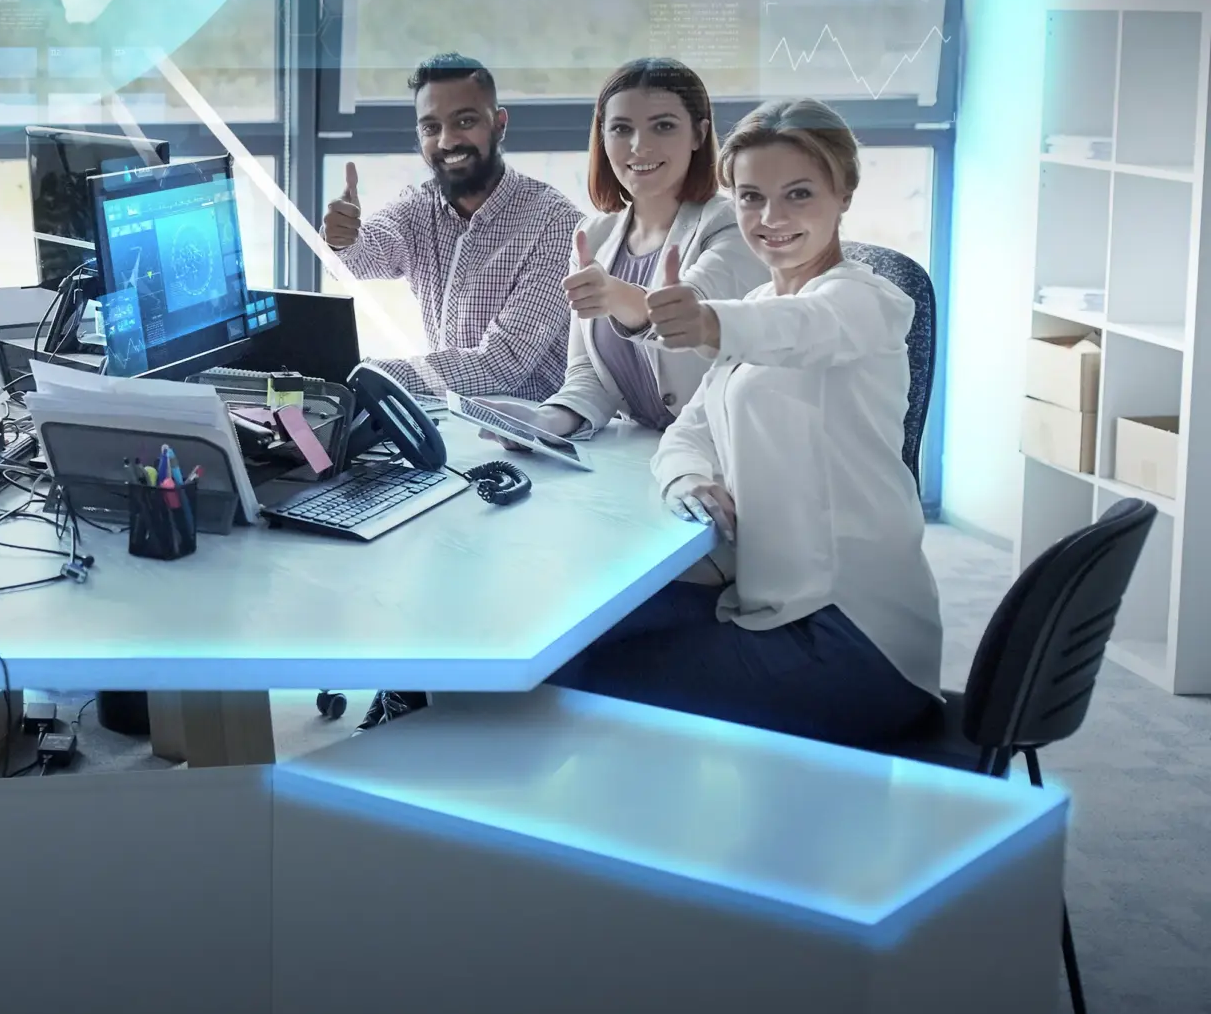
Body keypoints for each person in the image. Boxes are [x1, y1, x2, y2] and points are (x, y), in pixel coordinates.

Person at [548, 98, 941, 747]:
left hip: (855, 638)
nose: (771, 218)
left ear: (844, 194)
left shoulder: (867, 300)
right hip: (771, 600)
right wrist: (687, 482)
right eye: (752, 197)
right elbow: (686, 434)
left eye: (798, 194)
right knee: (579, 622)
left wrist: (702, 321)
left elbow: (800, 332)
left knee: (585, 678)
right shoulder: (762, 299)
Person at [323, 52, 581, 401]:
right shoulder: (419, 206)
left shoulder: (555, 223)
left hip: (542, 438)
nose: (446, 141)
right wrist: (343, 239)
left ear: (500, 124)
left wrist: (369, 376)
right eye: (431, 127)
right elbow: (366, 256)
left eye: (464, 121)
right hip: (457, 422)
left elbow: (503, 363)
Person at [537, 58, 767, 439]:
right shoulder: (593, 235)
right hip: (639, 453)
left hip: (724, 453)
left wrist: (615, 295)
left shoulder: (733, 225)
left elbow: (689, 314)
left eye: (663, 126)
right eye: (621, 129)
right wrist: (545, 421)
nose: (640, 146)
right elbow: (590, 373)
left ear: (698, 134)